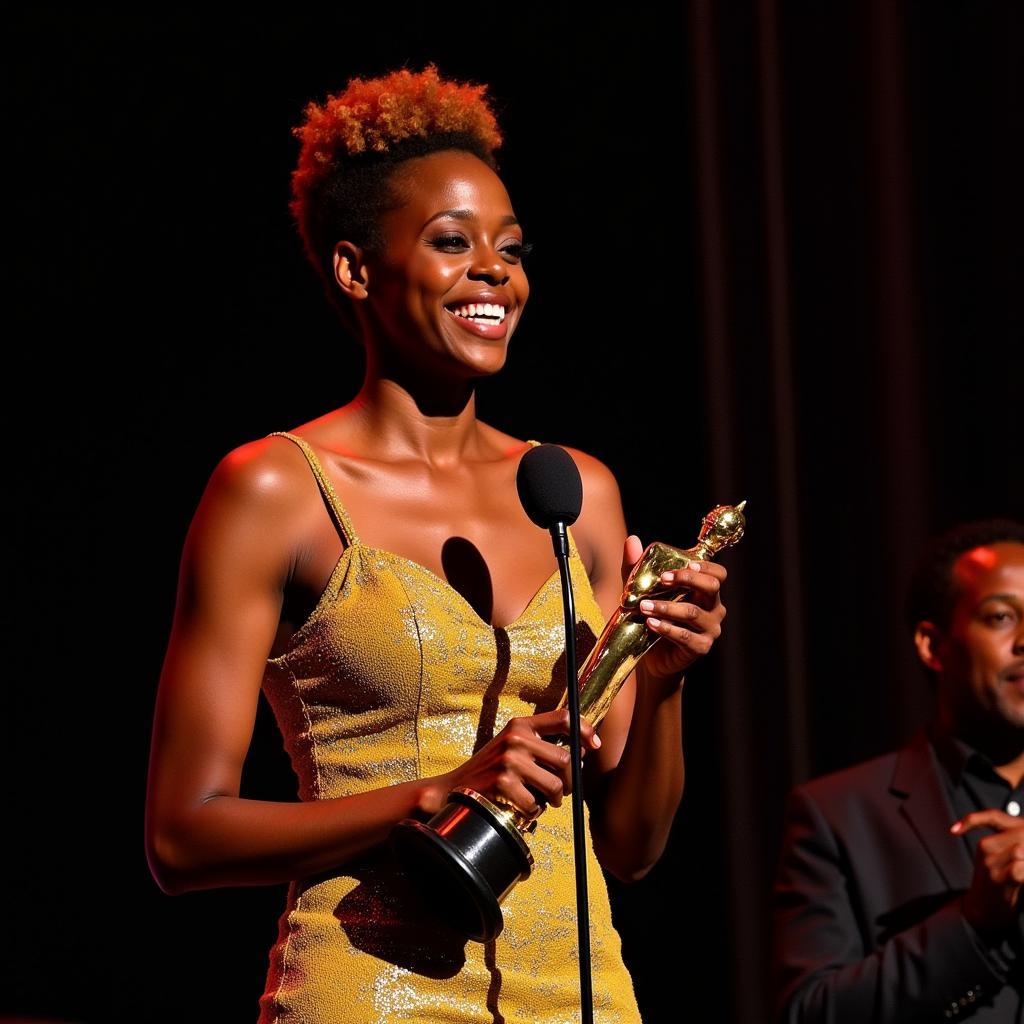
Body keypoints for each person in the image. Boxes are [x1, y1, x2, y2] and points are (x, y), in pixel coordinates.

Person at [144, 64, 729, 1023]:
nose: (496, 271)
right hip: (369, 987)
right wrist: (434, 793)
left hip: (581, 992)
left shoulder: (576, 493)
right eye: (452, 242)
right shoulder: (274, 489)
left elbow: (628, 845)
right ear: (355, 267)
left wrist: (660, 678)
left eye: (511, 247)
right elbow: (182, 837)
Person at [772, 518, 1024, 1023]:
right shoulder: (839, 815)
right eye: (1001, 617)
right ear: (932, 645)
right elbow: (809, 1014)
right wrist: (972, 924)